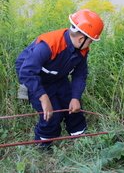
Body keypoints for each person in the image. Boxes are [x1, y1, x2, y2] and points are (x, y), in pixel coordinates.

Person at [15, 9, 104, 146]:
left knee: (74, 109)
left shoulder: (81, 49)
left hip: (57, 77)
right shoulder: (49, 45)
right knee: (51, 115)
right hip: (36, 79)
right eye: (91, 41)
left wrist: (75, 97)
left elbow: (80, 74)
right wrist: (43, 97)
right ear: (82, 38)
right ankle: (43, 146)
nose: (90, 44)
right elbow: (26, 72)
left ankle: (81, 140)